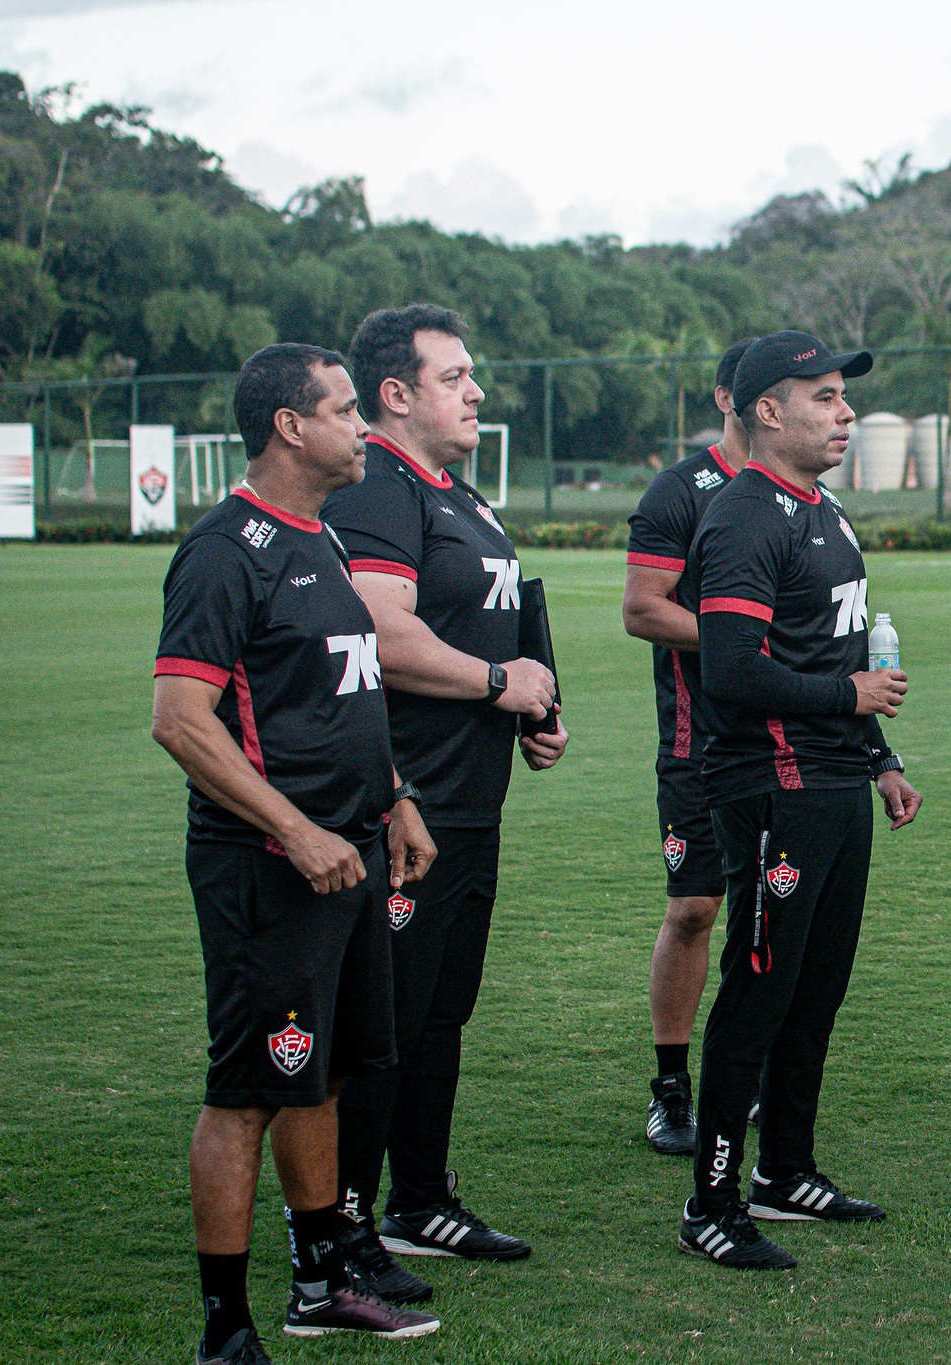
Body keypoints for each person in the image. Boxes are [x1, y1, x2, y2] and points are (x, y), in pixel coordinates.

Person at [152, 343, 441, 1362]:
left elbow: (341, 700)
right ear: (290, 425)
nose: (365, 427)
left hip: (352, 856)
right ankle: (224, 1330)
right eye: (347, 410)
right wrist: (295, 827)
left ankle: (320, 1282)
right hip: (268, 870)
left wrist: (395, 798)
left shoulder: (314, 538)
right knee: (245, 1091)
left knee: (315, 1078)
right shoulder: (225, 550)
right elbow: (181, 720)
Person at [322, 305, 568, 1287]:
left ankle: (419, 1201)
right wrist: (495, 683)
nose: (475, 392)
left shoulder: (457, 496)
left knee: (436, 1015)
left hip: (471, 804)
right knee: (380, 1025)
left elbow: (492, 626)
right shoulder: (379, 488)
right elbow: (381, 629)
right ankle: (342, 1228)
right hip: (402, 810)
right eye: (455, 376)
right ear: (396, 393)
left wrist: (530, 702)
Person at [676, 329, 923, 1270]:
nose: (845, 411)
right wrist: (844, 703)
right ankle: (711, 1201)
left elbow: (839, 654)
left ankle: (785, 1172)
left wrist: (880, 753)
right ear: (765, 410)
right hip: (773, 784)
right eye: (822, 396)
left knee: (814, 989)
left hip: (834, 779)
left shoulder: (823, 507)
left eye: (843, 396)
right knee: (759, 990)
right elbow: (733, 668)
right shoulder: (744, 515)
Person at [624, 338, 756, 1155]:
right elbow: (643, 608)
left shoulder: (807, 496)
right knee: (696, 907)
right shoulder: (683, 488)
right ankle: (671, 1085)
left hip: (793, 742)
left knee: (776, 916)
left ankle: (752, 1069)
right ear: (727, 398)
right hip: (699, 742)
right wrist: (740, 639)